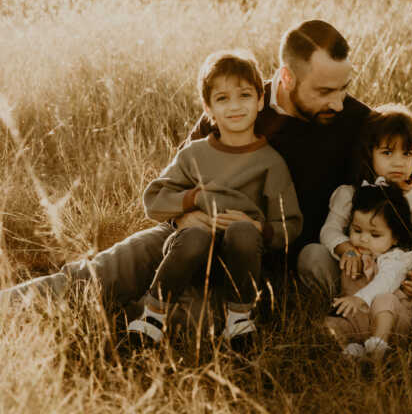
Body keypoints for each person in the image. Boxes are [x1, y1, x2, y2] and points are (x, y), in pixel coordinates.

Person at [0, 20, 371, 324]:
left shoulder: (357, 124)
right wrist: (184, 213)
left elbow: (390, 193)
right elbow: (181, 171)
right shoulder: (239, 100)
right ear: (286, 77)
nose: (339, 102)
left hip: (263, 260)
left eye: (344, 87)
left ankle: (125, 320)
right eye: (324, 91)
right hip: (191, 234)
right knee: (107, 268)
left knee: (187, 317)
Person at [125, 50, 301, 346]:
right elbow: (154, 199)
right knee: (194, 236)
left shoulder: (271, 162)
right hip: (191, 258)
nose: (234, 106)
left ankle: (239, 319)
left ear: (260, 100)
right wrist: (194, 199)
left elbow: (290, 225)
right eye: (222, 99)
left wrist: (260, 229)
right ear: (208, 108)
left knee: (243, 231)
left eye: (244, 96)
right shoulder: (194, 154)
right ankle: (153, 314)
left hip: (242, 263)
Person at [318, 104, 412, 322]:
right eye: (387, 152)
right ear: (369, 152)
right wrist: (349, 250)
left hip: (394, 284)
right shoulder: (350, 193)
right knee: (312, 256)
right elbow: (329, 231)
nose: (398, 162)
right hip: (352, 272)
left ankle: (382, 316)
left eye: (407, 153)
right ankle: (339, 303)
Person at [324, 181, 412, 361]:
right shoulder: (353, 253)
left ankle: (378, 347)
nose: (364, 239)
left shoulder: (395, 259)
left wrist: (360, 299)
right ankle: (351, 349)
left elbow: (385, 282)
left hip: (390, 323)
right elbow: (328, 233)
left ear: (395, 237)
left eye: (375, 235)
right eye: (357, 230)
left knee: (385, 299)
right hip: (357, 322)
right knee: (329, 324)